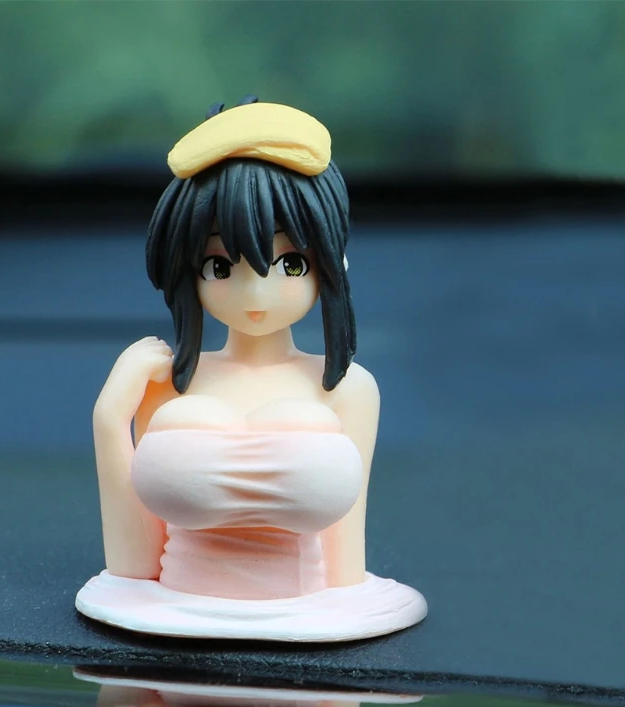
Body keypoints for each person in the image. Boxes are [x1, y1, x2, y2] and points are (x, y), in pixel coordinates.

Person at [76, 98, 427, 641]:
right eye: (220, 266)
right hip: (170, 618)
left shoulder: (346, 389)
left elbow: (343, 564)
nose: (256, 294)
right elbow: (135, 564)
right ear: (187, 270)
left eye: (291, 264)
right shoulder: (166, 383)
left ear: (330, 264)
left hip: (307, 621)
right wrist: (109, 419)